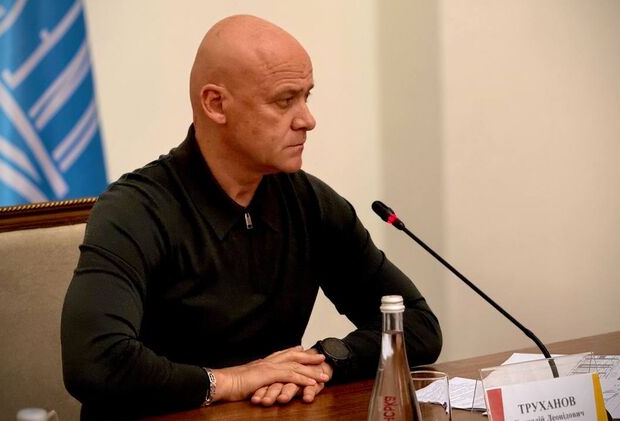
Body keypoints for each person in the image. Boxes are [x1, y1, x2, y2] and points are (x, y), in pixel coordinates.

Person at [61, 14, 442, 420]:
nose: (307, 120)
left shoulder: (309, 202)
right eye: (284, 100)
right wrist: (232, 381)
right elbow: (95, 362)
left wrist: (326, 360)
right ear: (216, 104)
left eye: (307, 97)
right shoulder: (135, 209)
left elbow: (417, 326)